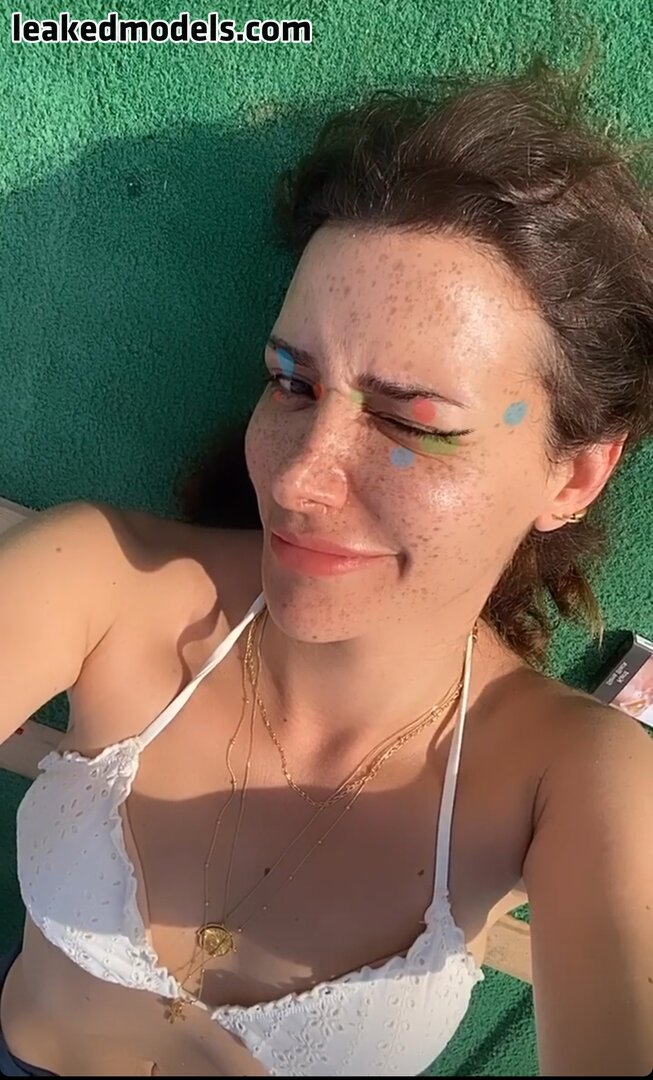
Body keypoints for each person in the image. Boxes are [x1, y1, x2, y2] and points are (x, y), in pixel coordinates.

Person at [0, 51, 652, 1078]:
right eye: (291, 384)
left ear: (570, 475)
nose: (298, 481)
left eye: (411, 421)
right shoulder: (104, 582)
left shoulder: (570, 776)